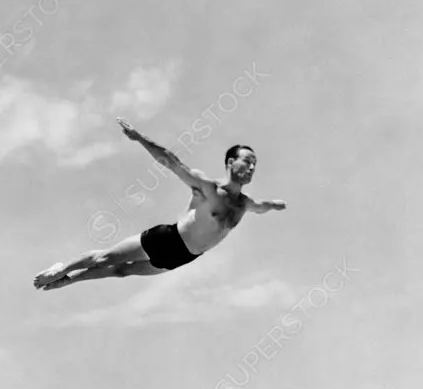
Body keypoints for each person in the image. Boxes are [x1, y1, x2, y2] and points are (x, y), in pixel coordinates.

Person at [34, 119, 286, 291]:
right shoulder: (208, 188)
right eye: (247, 161)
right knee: (104, 258)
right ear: (231, 162)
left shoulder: (244, 203)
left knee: (121, 271)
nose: (252, 167)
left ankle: (68, 280)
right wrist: (139, 138)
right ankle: (61, 269)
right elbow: (170, 161)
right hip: (168, 239)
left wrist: (273, 206)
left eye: (255, 164)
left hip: (184, 257)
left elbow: (260, 207)